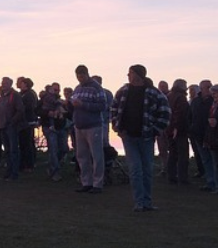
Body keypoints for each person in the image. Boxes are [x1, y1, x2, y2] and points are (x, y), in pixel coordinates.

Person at [114, 65, 169, 211]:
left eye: (130, 73)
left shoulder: (154, 93)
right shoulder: (123, 91)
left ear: (138, 75)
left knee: (147, 169)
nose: (128, 75)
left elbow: (165, 113)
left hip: (146, 137)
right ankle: (139, 202)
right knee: (135, 169)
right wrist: (116, 126)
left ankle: (147, 201)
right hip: (128, 136)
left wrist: (155, 130)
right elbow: (114, 108)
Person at [71, 65, 114, 194]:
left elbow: (102, 106)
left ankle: (97, 183)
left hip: (93, 126)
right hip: (79, 126)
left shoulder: (97, 88)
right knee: (82, 156)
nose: (80, 79)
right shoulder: (77, 88)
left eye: (81, 76)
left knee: (96, 155)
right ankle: (86, 182)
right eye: (78, 76)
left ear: (86, 74)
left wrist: (83, 104)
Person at [189, 79, 218, 192]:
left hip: (211, 134)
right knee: (205, 159)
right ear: (201, 89)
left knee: (214, 159)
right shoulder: (196, 101)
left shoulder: (214, 101)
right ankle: (210, 181)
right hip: (198, 134)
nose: (210, 89)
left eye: (210, 87)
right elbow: (190, 116)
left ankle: (217, 183)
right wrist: (191, 128)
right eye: (208, 87)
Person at [41, 82, 71, 182]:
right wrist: (47, 113)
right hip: (49, 127)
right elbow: (38, 110)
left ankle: (53, 166)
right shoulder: (45, 100)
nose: (56, 92)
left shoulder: (61, 102)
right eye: (54, 90)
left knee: (64, 149)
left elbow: (68, 113)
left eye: (57, 90)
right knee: (53, 149)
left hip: (61, 127)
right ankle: (55, 171)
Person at [164, 80, 191, 185]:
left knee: (172, 153)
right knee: (183, 155)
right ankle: (183, 178)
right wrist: (177, 127)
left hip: (169, 129)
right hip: (179, 130)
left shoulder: (169, 96)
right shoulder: (181, 98)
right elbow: (180, 114)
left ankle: (171, 176)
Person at [0, 77, 25, 180]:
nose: (3, 85)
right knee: (7, 150)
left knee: (13, 150)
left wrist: (12, 121)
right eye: (2, 83)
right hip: (3, 125)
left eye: (5, 83)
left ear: (10, 84)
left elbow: (20, 110)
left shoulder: (15, 95)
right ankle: (8, 172)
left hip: (11, 126)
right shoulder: (3, 96)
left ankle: (14, 173)